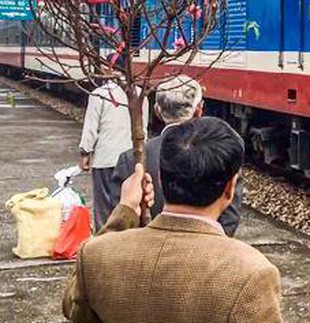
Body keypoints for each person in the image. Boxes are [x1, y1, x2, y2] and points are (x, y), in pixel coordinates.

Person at [62, 117, 282, 323]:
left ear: (159, 176)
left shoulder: (95, 255)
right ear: (230, 188)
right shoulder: (251, 274)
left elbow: (73, 309)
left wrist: (126, 210)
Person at [111, 75, 243, 236]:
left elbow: (118, 219)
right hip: (206, 254)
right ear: (198, 110)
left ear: (157, 110)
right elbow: (230, 219)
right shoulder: (223, 154)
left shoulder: (129, 160)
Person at [79, 79, 148, 232]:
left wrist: (85, 152)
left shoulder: (100, 94)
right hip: (131, 160)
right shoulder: (140, 95)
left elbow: (91, 127)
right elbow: (143, 129)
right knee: (128, 206)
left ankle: (103, 242)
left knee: (104, 209)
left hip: (106, 159)